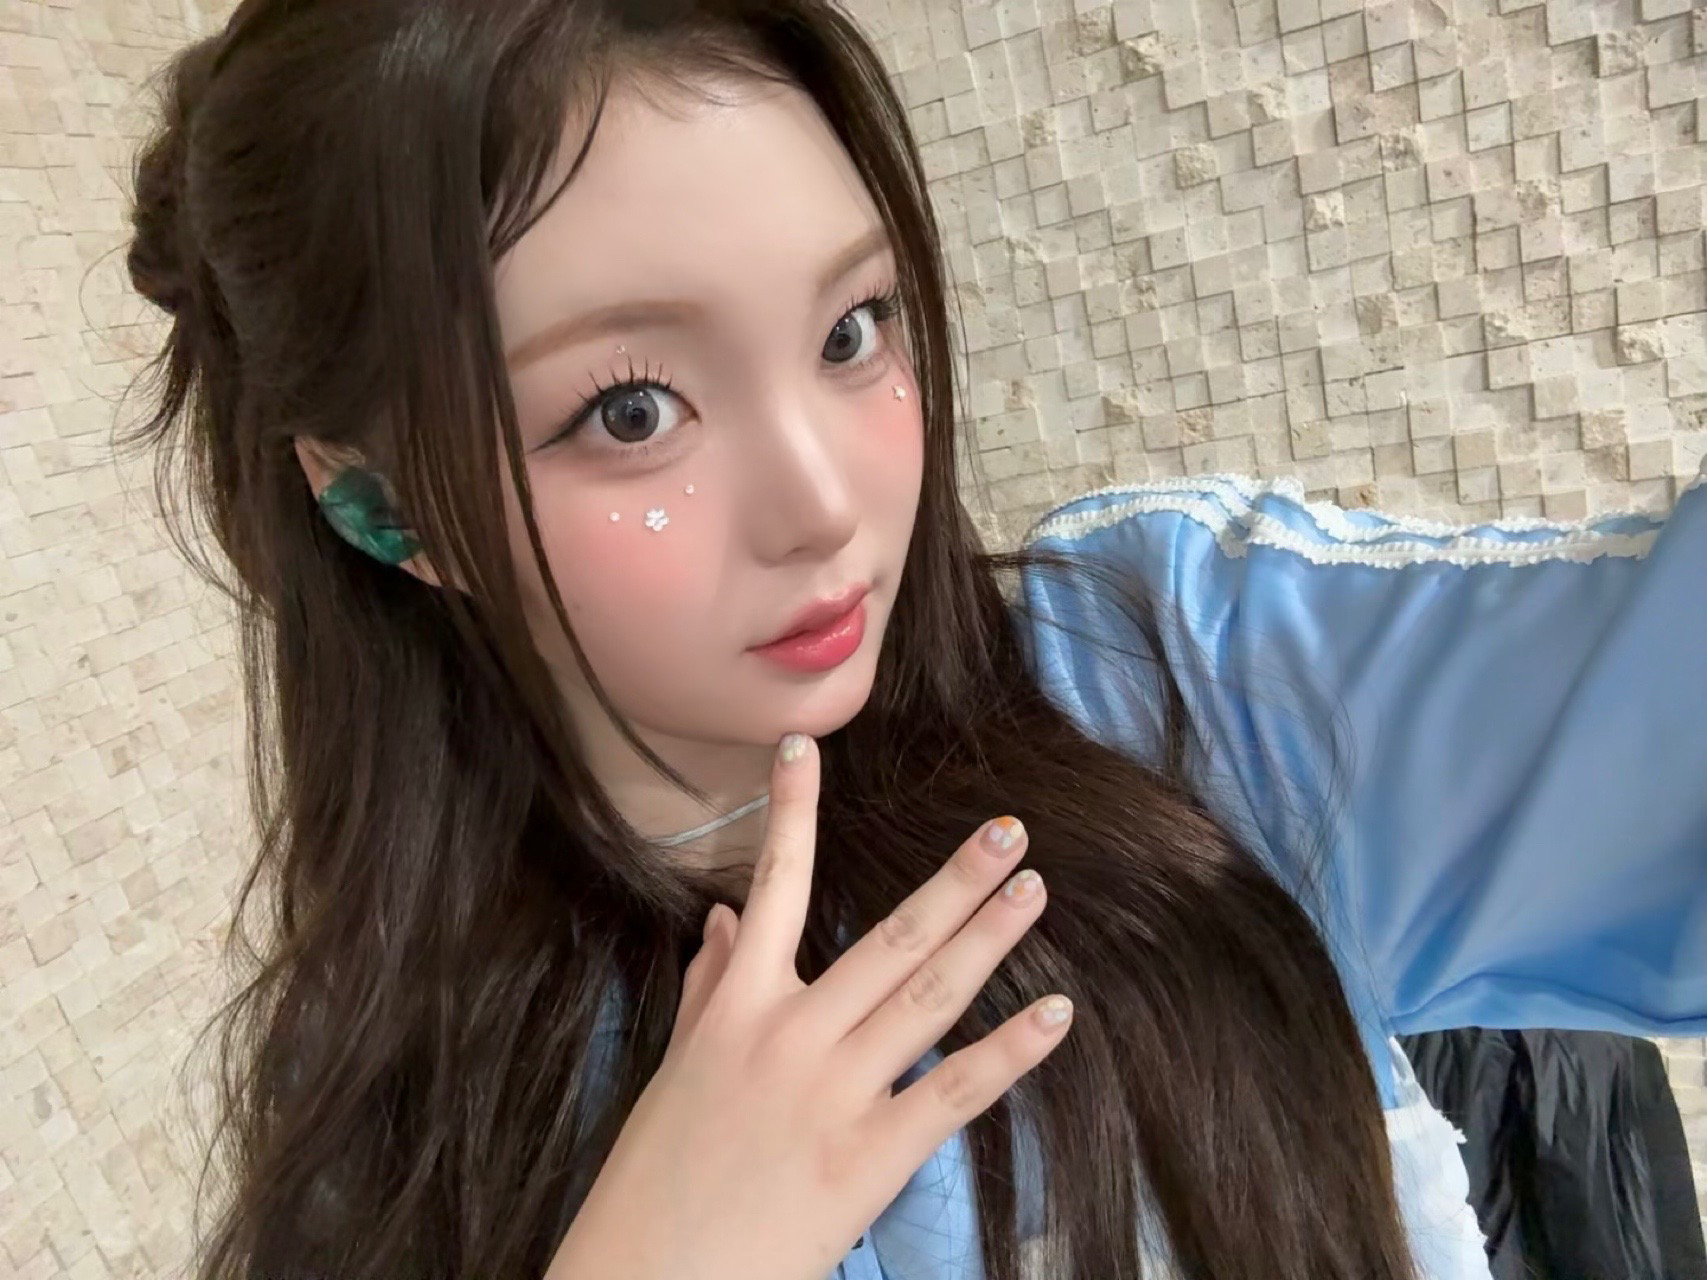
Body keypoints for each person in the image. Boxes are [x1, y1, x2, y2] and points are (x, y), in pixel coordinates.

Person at [121, 1, 1705, 1278]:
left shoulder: (1170, 681)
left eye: (851, 329)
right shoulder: (391, 1115)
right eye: (632, 410)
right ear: (383, 505)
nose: (826, 505)